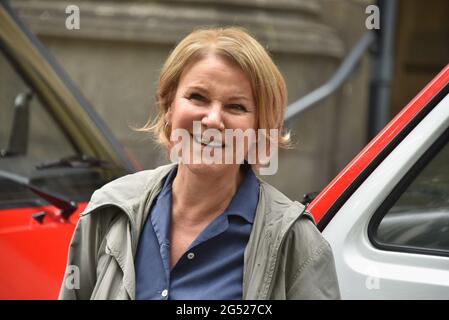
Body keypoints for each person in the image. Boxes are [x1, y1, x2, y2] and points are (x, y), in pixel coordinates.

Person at [59, 27, 340, 300]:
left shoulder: (296, 244)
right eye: (198, 97)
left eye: (236, 106)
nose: (213, 119)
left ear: (260, 129)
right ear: (169, 107)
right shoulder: (108, 211)